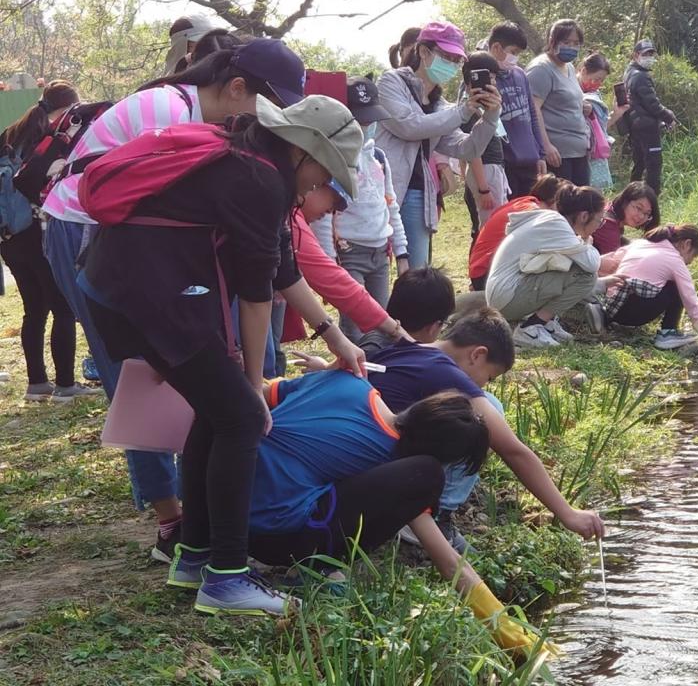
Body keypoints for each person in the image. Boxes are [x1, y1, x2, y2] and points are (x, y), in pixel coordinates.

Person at [79, 94, 365, 617]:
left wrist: (336, 336)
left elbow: (278, 266)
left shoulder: (257, 168)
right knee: (239, 417)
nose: (322, 182)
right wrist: (253, 385)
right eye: (326, 171)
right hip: (148, 294)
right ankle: (228, 579)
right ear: (305, 151)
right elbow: (257, 297)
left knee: (219, 412)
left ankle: (195, 556)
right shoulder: (258, 180)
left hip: (127, 286)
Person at [41, 38, 312, 562]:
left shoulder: (222, 131)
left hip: (132, 248)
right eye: (270, 105)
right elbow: (136, 200)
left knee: (198, 381)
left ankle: (196, 530)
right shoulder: (170, 107)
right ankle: (173, 520)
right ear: (237, 88)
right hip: (89, 231)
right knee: (139, 378)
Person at [237, 369, 549, 656]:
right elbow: (449, 561)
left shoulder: (350, 383)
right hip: (272, 538)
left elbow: (263, 393)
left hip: (225, 506)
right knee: (427, 477)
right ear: (440, 454)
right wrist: (505, 626)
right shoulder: (397, 465)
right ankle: (313, 569)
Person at [299, 308, 606, 552]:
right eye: (490, 374)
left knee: (484, 402)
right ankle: (436, 512)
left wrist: (321, 366)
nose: (484, 382)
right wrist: (567, 512)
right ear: (477, 354)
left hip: (336, 456)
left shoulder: (407, 348)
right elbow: (513, 450)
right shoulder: (446, 373)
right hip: (364, 473)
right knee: (487, 410)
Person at [0, 81, 98, 402]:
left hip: (9, 237)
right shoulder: (51, 140)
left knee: (33, 310)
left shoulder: (9, 135)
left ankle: (36, 384)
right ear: (67, 107)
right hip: (39, 233)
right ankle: (66, 385)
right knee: (62, 308)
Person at [376, 20, 502, 268]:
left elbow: (467, 148)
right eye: (447, 56)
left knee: (417, 273)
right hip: (382, 192)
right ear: (424, 52)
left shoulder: (440, 105)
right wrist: (463, 111)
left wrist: (490, 117)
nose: (453, 65)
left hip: (418, 193)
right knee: (375, 268)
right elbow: (409, 126)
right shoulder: (391, 83)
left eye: (457, 60)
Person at [311, 76, 410, 343]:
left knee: (380, 321)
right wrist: (329, 260)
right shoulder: (331, 162)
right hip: (348, 252)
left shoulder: (379, 158)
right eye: (359, 122)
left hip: (381, 251)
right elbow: (322, 216)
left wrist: (401, 250)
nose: (366, 127)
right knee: (354, 326)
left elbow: (391, 205)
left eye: (370, 121)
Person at [486, 184, 623, 348]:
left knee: (576, 267)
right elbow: (592, 264)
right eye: (599, 221)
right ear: (584, 216)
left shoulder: (552, 221)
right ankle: (531, 329)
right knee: (586, 275)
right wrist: (587, 242)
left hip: (505, 294)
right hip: (507, 297)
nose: (597, 227)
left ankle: (547, 322)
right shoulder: (558, 226)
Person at [585, 223, 698, 358]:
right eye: (692, 257)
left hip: (613, 306)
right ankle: (668, 333)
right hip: (633, 313)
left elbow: (610, 261)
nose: (689, 262)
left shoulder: (640, 244)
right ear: (687, 244)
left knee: (649, 284)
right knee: (676, 287)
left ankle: (603, 315)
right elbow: (692, 304)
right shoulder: (674, 260)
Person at [468, 173, 564, 292]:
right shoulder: (534, 212)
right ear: (554, 201)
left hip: (481, 270)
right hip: (486, 275)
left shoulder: (524, 202)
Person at [526, 19, 591, 186]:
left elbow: (568, 99)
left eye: (576, 43)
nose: (571, 47)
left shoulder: (568, 66)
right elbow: (533, 108)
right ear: (552, 41)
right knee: (563, 205)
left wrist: (583, 107)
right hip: (558, 154)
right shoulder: (541, 69)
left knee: (582, 205)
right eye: (566, 42)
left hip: (578, 150)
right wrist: (545, 146)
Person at [486, 21, 546, 198]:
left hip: (529, 160)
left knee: (529, 214)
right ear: (496, 47)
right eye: (513, 52)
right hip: (503, 163)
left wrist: (540, 153)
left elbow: (532, 114)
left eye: (518, 54)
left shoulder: (520, 74)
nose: (515, 58)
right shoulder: (481, 77)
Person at [460, 51, 510, 237]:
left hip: (494, 168)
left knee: (499, 222)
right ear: (469, 83)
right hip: (485, 171)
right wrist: (483, 188)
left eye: (493, 78)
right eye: (486, 78)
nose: (492, 83)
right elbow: (473, 152)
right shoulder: (470, 111)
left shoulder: (486, 109)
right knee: (490, 227)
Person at [623, 39, 676, 193]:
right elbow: (652, 104)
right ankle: (652, 199)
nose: (649, 57)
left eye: (651, 53)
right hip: (646, 127)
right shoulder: (641, 76)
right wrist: (669, 116)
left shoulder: (629, 72)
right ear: (636, 55)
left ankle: (631, 195)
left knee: (639, 163)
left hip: (635, 126)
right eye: (646, 54)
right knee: (653, 164)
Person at [578, 52, 629, 190]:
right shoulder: (570, 90)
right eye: (596, 79)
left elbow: (599, 129)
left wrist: (617, 113)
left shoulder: (595, 95)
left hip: (591, 153)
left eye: (602, 81)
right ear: (583, 71)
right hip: (574, 151)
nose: (598, 83)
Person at [591, 181, 660, 255]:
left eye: (647, 213)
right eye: (639, 208)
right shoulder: (608, 225)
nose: (641, 216)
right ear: (625, 201)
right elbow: (614, 263)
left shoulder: (611, 209)